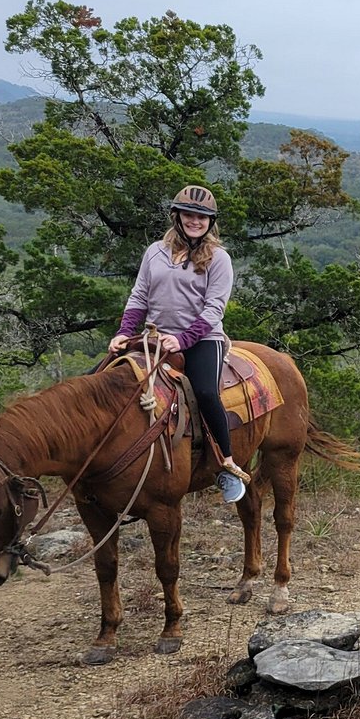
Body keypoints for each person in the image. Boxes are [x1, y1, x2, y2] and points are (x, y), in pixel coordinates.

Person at [108, 185, 249, 503]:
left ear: (210, 222)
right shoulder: (154, 252)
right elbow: (139, 296)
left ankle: (225, 463)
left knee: (205, 392)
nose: (195, 221)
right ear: (177, 216)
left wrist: (183, 339)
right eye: (189, 214)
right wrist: (123, 332)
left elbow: (214, 309)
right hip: (154, 337)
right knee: (100, 378)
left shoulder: (219, 259)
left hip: (201, 339)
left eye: (202, 217)